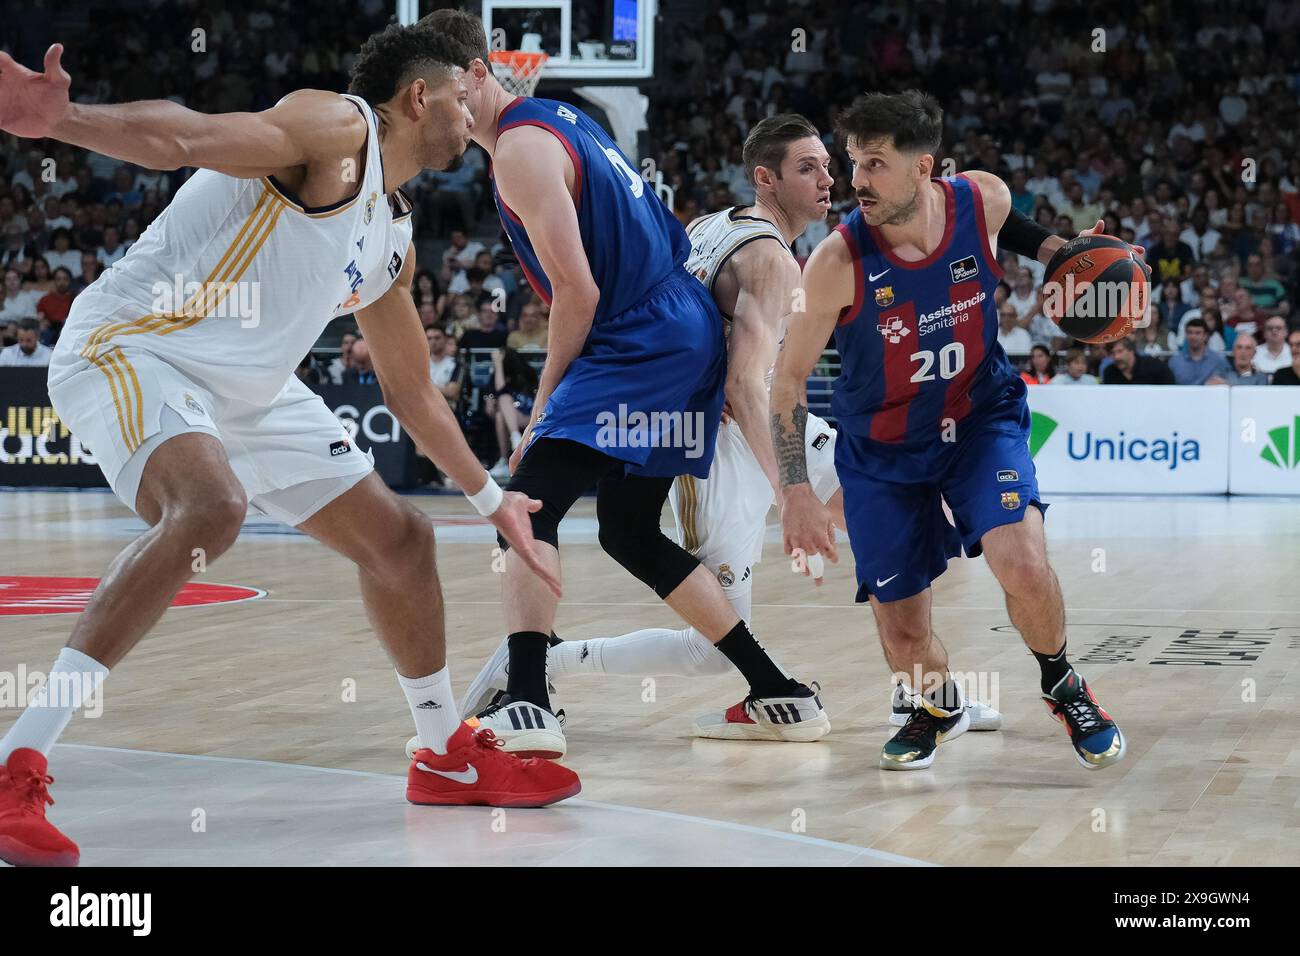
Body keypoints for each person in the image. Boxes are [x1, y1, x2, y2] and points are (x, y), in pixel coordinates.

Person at [0, 26, 580, 868]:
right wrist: (63, 121)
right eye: (465, 90)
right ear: (420, 98)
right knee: (210, 508)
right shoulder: (337, 129)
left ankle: (443, 754)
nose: (476, 107)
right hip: (137, 345)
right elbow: (185, 135)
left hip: (254, 389)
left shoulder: (391, 230)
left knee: (402, 542)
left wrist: (497, 505)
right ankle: (20, 758)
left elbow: (411, 392)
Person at [422, 8, 818, 760]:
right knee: (627, 529)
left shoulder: (519, 148)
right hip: (678, 329)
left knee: (524, 506)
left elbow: (578, 293)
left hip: (639, 336)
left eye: (435, 91)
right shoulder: (564, 115)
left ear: (478, 75)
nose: (427, 111)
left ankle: (530, 702)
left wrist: (544, 403)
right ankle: (776, 689)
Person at [777, 90, 1125, 772]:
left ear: (924, 168)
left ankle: (1062, 682)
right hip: (880, 450)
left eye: (875, 164)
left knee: (1022, 561)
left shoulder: (982, 199)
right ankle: (937, 703)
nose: (857, 181)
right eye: (854, 163)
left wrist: (1078, 260)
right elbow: (788, 381)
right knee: (904, 631)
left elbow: (1033, 239)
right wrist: (794, 489)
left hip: (978, 418)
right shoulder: (837, 263)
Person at [486, 346, 538, 479]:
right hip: (510, 419)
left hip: (529, 416)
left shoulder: (527, 373)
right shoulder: (497, 375)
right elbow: (500, 391)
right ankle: (504, 460)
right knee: (499, 415)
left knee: (502, 405)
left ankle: (514, 440)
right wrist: (498, 366)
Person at [1169, 318, 1231, 385]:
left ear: (1205, 336)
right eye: (1190, 332)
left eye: (1197, 333)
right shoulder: (1175, 362)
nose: (1193, 336)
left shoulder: (1218, 360)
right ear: (1185, 335)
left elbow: (1229, 381)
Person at [1103, 337, 1175, 384]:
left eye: (1120, 351)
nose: (1116, 357)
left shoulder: (1156, 367)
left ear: (1131, 350)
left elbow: (1170, 391)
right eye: (1112, 353)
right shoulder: (1109, 373)